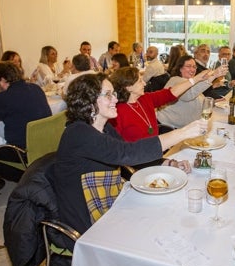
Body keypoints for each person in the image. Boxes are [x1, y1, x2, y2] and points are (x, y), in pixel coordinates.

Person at [53, 73, 207, 234]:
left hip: (108, 198)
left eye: (114, 93)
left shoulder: (104, 127)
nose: (115, 99)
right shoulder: (78, 133)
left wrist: (167, 163)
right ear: (89, 101)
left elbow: (130, 154)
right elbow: (126, 153)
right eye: (108, 95)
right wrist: (181, 133)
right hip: (86, 218)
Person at [0, 61, 51, 181]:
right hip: (46, 146)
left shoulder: (5, 97)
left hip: (23, 152)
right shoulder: (35, 88)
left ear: (2, 80)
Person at [110, 66, 212, 142]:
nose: (145, 84)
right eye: (140, 81)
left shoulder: (144, 99)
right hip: (136, 162)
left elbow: (171, 93)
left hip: (154, 154)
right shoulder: (116, 112)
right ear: (128, 87)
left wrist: (196, 79)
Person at [156, 55, 227, 129]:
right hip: (168, 127)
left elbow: (198, 101)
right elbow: (189, 95)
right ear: (180, 68)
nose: (192, 70)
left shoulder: (191, 83)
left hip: (185, 128)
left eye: (194, 67)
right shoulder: (176, 80)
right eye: (188, 66)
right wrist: (214, 76)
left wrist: (213, 103)